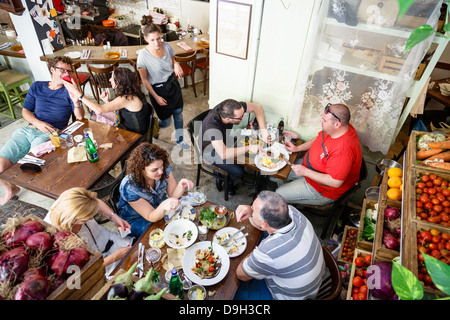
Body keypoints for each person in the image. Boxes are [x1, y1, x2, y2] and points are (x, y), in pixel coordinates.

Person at [0, 56, 85, 205]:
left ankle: (59, 198)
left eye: (69, 71)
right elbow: (25, 111)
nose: (66, 73)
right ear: (52, 69)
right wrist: (36, 122)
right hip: (29, 129)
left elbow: (80, 117)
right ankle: (11, 190)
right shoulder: (37, 86)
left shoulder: (69, 91)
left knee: (33, 167)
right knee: (1, 165)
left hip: (51, 133)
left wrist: (76, 99)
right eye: (62, 70)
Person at [234, 191, 325, 300]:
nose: (251, 210)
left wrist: (257, 254)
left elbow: (240, 274)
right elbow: (262, 227)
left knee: (235, 291)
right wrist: (250, 210)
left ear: (264, 224)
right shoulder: (292, 211)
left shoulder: (269, 252)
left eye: (253, 210)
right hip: (312, 283)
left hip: (286, 296)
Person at [276, 103, 362, 206]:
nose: (321, 121)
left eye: (324, 120)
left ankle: (291, 202)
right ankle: (295, 199)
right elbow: (319, 138)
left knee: (278, 194)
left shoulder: (344, 151)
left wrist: (305, 172)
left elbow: (335, 182)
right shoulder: (337, 128)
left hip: (321, 188)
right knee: (277, 171)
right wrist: (297, 148)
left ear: (337, 124)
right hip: (309, 169)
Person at [44, 187, 133, 277]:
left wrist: (114, 217)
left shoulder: (73, 200)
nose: (92, 218)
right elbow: (79, 271)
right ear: (72, 219)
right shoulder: (57, 238)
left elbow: (95, 202)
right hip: (97, 266)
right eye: (86, 218)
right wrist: (114, 257)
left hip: (109, 239)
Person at [117, 142, 194, 238]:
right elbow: (150, 216)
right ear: (141, 170)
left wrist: (180, 186)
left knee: (182, 222)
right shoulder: (129, 187)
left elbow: (173, 195)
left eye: (161, 166)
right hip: (136, 219)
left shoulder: (163, 168)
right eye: (155, 170)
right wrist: (163, 206)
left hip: (157, 206)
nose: (161, 171)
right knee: (165, 234)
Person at [137, 15, 190, 150]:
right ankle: (153, 128)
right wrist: (156, 97)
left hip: (173, 85)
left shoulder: (166, 46)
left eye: (159, 38)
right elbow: (144, 80)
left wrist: (176, 64)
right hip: (158, 90)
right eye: (153, 40)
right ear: (146, 39)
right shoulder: (143, 56)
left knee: (178, 115)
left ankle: (180, 140)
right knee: (166, 122)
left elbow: (172, 61)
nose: (157, 43)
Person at [201, 99, 270, 195]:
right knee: (239, 172)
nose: (243, 117)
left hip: (224, 141)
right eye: (240, 117)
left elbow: (257, 107)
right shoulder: (211, 126)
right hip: (210, 151)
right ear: (228, 119)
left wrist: (263, 130)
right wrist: (249, 147)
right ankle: (228, 183)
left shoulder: (230, 107)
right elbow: (223, 154)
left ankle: (222, 172)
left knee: (246, 155)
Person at [64, 67, 151, 135]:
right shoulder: (134, 92)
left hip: (134, 135)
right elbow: (119, 107)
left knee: (97, 115)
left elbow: (99, 109)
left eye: (112, 78)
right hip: (137, 128)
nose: (109, 80)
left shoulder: (126, 98)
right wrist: (107, 101)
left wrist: (78, 94)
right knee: (95, 114)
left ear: (118, 83)